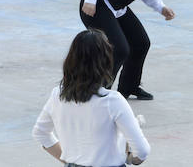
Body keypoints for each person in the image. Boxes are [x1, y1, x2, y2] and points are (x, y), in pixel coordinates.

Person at [31, 29, 151, 166]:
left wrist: (68, 161)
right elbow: (142, 150)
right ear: (105, 62)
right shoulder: (112, 101)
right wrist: (131, 159)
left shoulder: (57, 95)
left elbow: (41, 133)